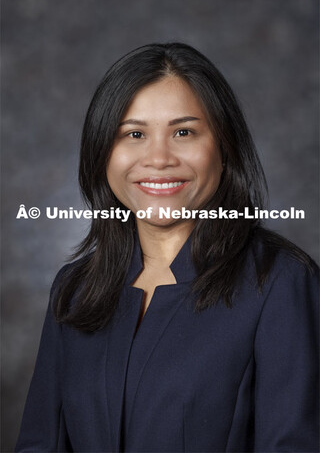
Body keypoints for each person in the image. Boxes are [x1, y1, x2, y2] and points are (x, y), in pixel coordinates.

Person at [15, 43, 319, 452]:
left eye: (184, 132)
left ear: (224, 149)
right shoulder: (75, 289)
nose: (158, 159)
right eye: (134, 134)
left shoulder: (280, 283)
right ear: (102, 151)